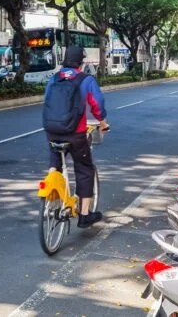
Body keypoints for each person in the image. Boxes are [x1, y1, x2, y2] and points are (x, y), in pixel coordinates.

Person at [42, 45, 109, 228]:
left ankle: (52, 193)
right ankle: (85, 215)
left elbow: (47, 100)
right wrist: (103, 123)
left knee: (55, 160)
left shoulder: (54, 78)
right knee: (84, 168)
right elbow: (97, 104)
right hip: (75, 134)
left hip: (52, 130)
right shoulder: (85, 79)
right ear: (81, 61)